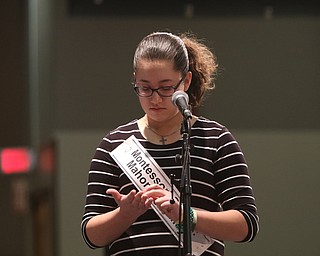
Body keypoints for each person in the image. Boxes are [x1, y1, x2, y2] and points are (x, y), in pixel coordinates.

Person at [81, 31, 259, 256]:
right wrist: (124, 214)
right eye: (144, 88)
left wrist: (189, 216)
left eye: (166, 88)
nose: (154, 99)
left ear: (186, 80)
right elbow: (90, 234)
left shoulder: (216, 140)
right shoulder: (114, 144)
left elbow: (247, 224)